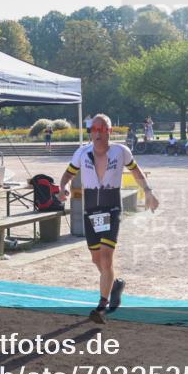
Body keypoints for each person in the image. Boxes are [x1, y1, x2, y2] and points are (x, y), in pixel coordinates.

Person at [56, 114, 158, 324]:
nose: (98, 133)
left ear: (110, 132)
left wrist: (148, 191)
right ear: (90, 132)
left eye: (103, 129)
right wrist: (64, 188)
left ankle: (101, 307)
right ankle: (116, 285)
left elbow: (137, 172)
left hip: (111, 208)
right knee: (97, 259)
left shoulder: (121, 151)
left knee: (106, 257)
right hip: (91, 209)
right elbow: (66, 176)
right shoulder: (82, 153)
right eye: (94, 129)